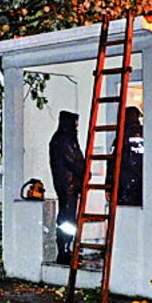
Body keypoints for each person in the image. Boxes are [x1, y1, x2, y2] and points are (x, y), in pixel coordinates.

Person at [49, 111, 85, 265]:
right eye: (75, 122)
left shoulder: (64, 138)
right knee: (67, 218)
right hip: (67, 185)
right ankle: (64, 250)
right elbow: (73, 160)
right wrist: (84, 172)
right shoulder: (64, 139)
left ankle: (67, 249)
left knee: (68, 217)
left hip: (68, 184)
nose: (77, 125)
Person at [107, 106, 144, 206]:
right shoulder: (147, 134)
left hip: (125, 183)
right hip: (143, 182)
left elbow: (112, 161)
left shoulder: (121, 136)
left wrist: (109, 186)